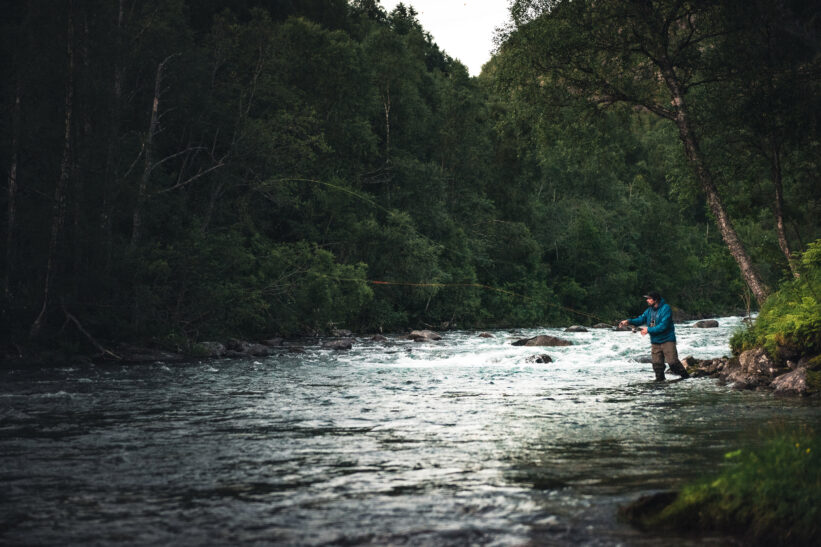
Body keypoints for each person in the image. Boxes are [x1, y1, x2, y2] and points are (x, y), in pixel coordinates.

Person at [619, 291, 689, 381]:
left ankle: (686, 378)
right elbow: (640, 319)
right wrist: (628, 321)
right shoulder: (649, 311)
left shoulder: (666, 309)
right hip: (655, 341)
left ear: (655, 300)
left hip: (667, 340)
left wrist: (648, 330)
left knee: (673, 363)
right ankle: (660, 384)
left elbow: (663, 326)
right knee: (657, 365)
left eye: (649, 299)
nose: (647, 300)